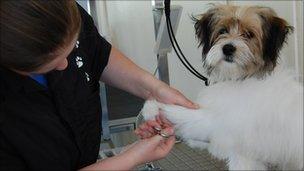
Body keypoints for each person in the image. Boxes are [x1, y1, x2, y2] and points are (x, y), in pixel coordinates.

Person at [0, 1, 199, 170]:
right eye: (49, 63)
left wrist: (155, 88)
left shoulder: (63, 11)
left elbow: (96, 52)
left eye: (72, 49)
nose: (66, 65)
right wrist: (128, 159)